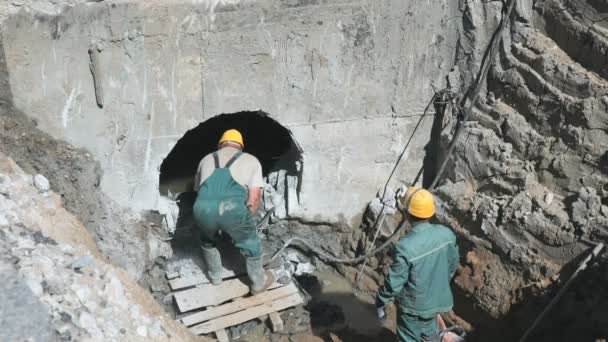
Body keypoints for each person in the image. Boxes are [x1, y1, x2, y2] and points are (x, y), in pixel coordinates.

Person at [192, 129, 274, 294]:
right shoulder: (251, 161)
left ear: (221, 144)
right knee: (251, 244)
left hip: (202, 208)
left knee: (207, 240)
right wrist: (245, 222)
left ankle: (215, 277)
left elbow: (198, 190)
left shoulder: (205, 159)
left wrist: (215, 218)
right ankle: (258, 283)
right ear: (241, 147)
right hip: (232, 209)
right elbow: (255, 198)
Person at [375, 187, 460, 342]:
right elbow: (453, 265)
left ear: (407, 214)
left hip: (413, 309)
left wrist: (381, 299)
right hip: (437, 300)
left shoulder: (405, 247)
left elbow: (395, 283)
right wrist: (437, 285)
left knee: (408, 338)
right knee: (430, 335)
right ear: (431, 212)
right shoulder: (446, 234)